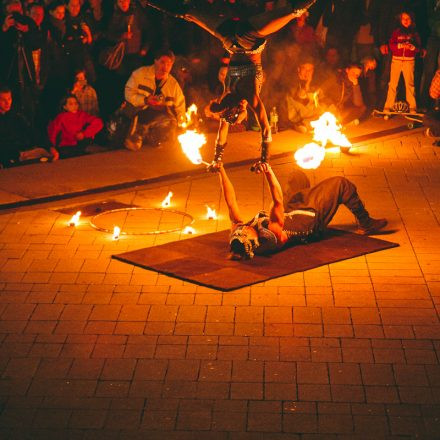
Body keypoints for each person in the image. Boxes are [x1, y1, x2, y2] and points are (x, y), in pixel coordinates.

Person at [142, 0, 317, 170]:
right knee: (188, 13)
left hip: (249, 38)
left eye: (242, 116)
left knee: (293, 11)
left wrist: (265, 159)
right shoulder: (226, 97)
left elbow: (266, 130)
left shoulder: (250, 96)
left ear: (241, 109)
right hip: (229, 39)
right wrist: (217, 159)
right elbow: (222, 134)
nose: (243, 116)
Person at [214, 161, 388, 260]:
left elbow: (231, 202)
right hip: (310, 217)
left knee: (296, 177)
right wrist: (268, 171)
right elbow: (277, 199)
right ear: (254, 240)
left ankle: (312, 192)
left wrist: (220, 169)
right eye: (245, 232)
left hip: (291, 211)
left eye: (240, 231)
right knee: (341, 184)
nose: (243, 229)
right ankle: (366, 223)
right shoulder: (270, 235)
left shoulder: (238, 236)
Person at [123, 48, 185, 149]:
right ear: (155, 61)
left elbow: (180, 104)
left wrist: (182, 124)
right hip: (138, 111)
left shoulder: (173, 84)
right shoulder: (140, 74)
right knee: (133, 145)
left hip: (158, 115)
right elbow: (128, 93)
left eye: (169, 64)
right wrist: (145, 100)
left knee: (170, 126)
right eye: (162, 62)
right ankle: (137, 133)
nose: (165, 67)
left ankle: (151, 136)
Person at [0, 85, 50, 168]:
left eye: (9, 99)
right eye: (3, 100)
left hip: (21, 151)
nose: (7, 103)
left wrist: (49, 146)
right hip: (7, 154)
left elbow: (31, 131)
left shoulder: (15, 115)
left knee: (44, 153)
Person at [383, 11, 421, 113]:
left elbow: (419, 48)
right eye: (403, 18)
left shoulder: (414, 33)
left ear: (411, 20)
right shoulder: (396, 31)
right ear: (400, 20)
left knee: (409, 84)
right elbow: (391, 45)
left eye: (408, 18)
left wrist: (412, 47)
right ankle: (388, 106)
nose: (406, 21)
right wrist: (400, 46)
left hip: (409, 61)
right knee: (393, 84)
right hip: (396, 60)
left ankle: (412, 107)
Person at [47, 94, 103, 160]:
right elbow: (53, 131)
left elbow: (98, 122)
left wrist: (84, 134)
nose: (74, 106)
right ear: (65, 107)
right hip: (66, 146)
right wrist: (52, 147)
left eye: (76, 103)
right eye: (71, 104)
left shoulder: (81, 115)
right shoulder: (61, 117)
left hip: (80, 144)